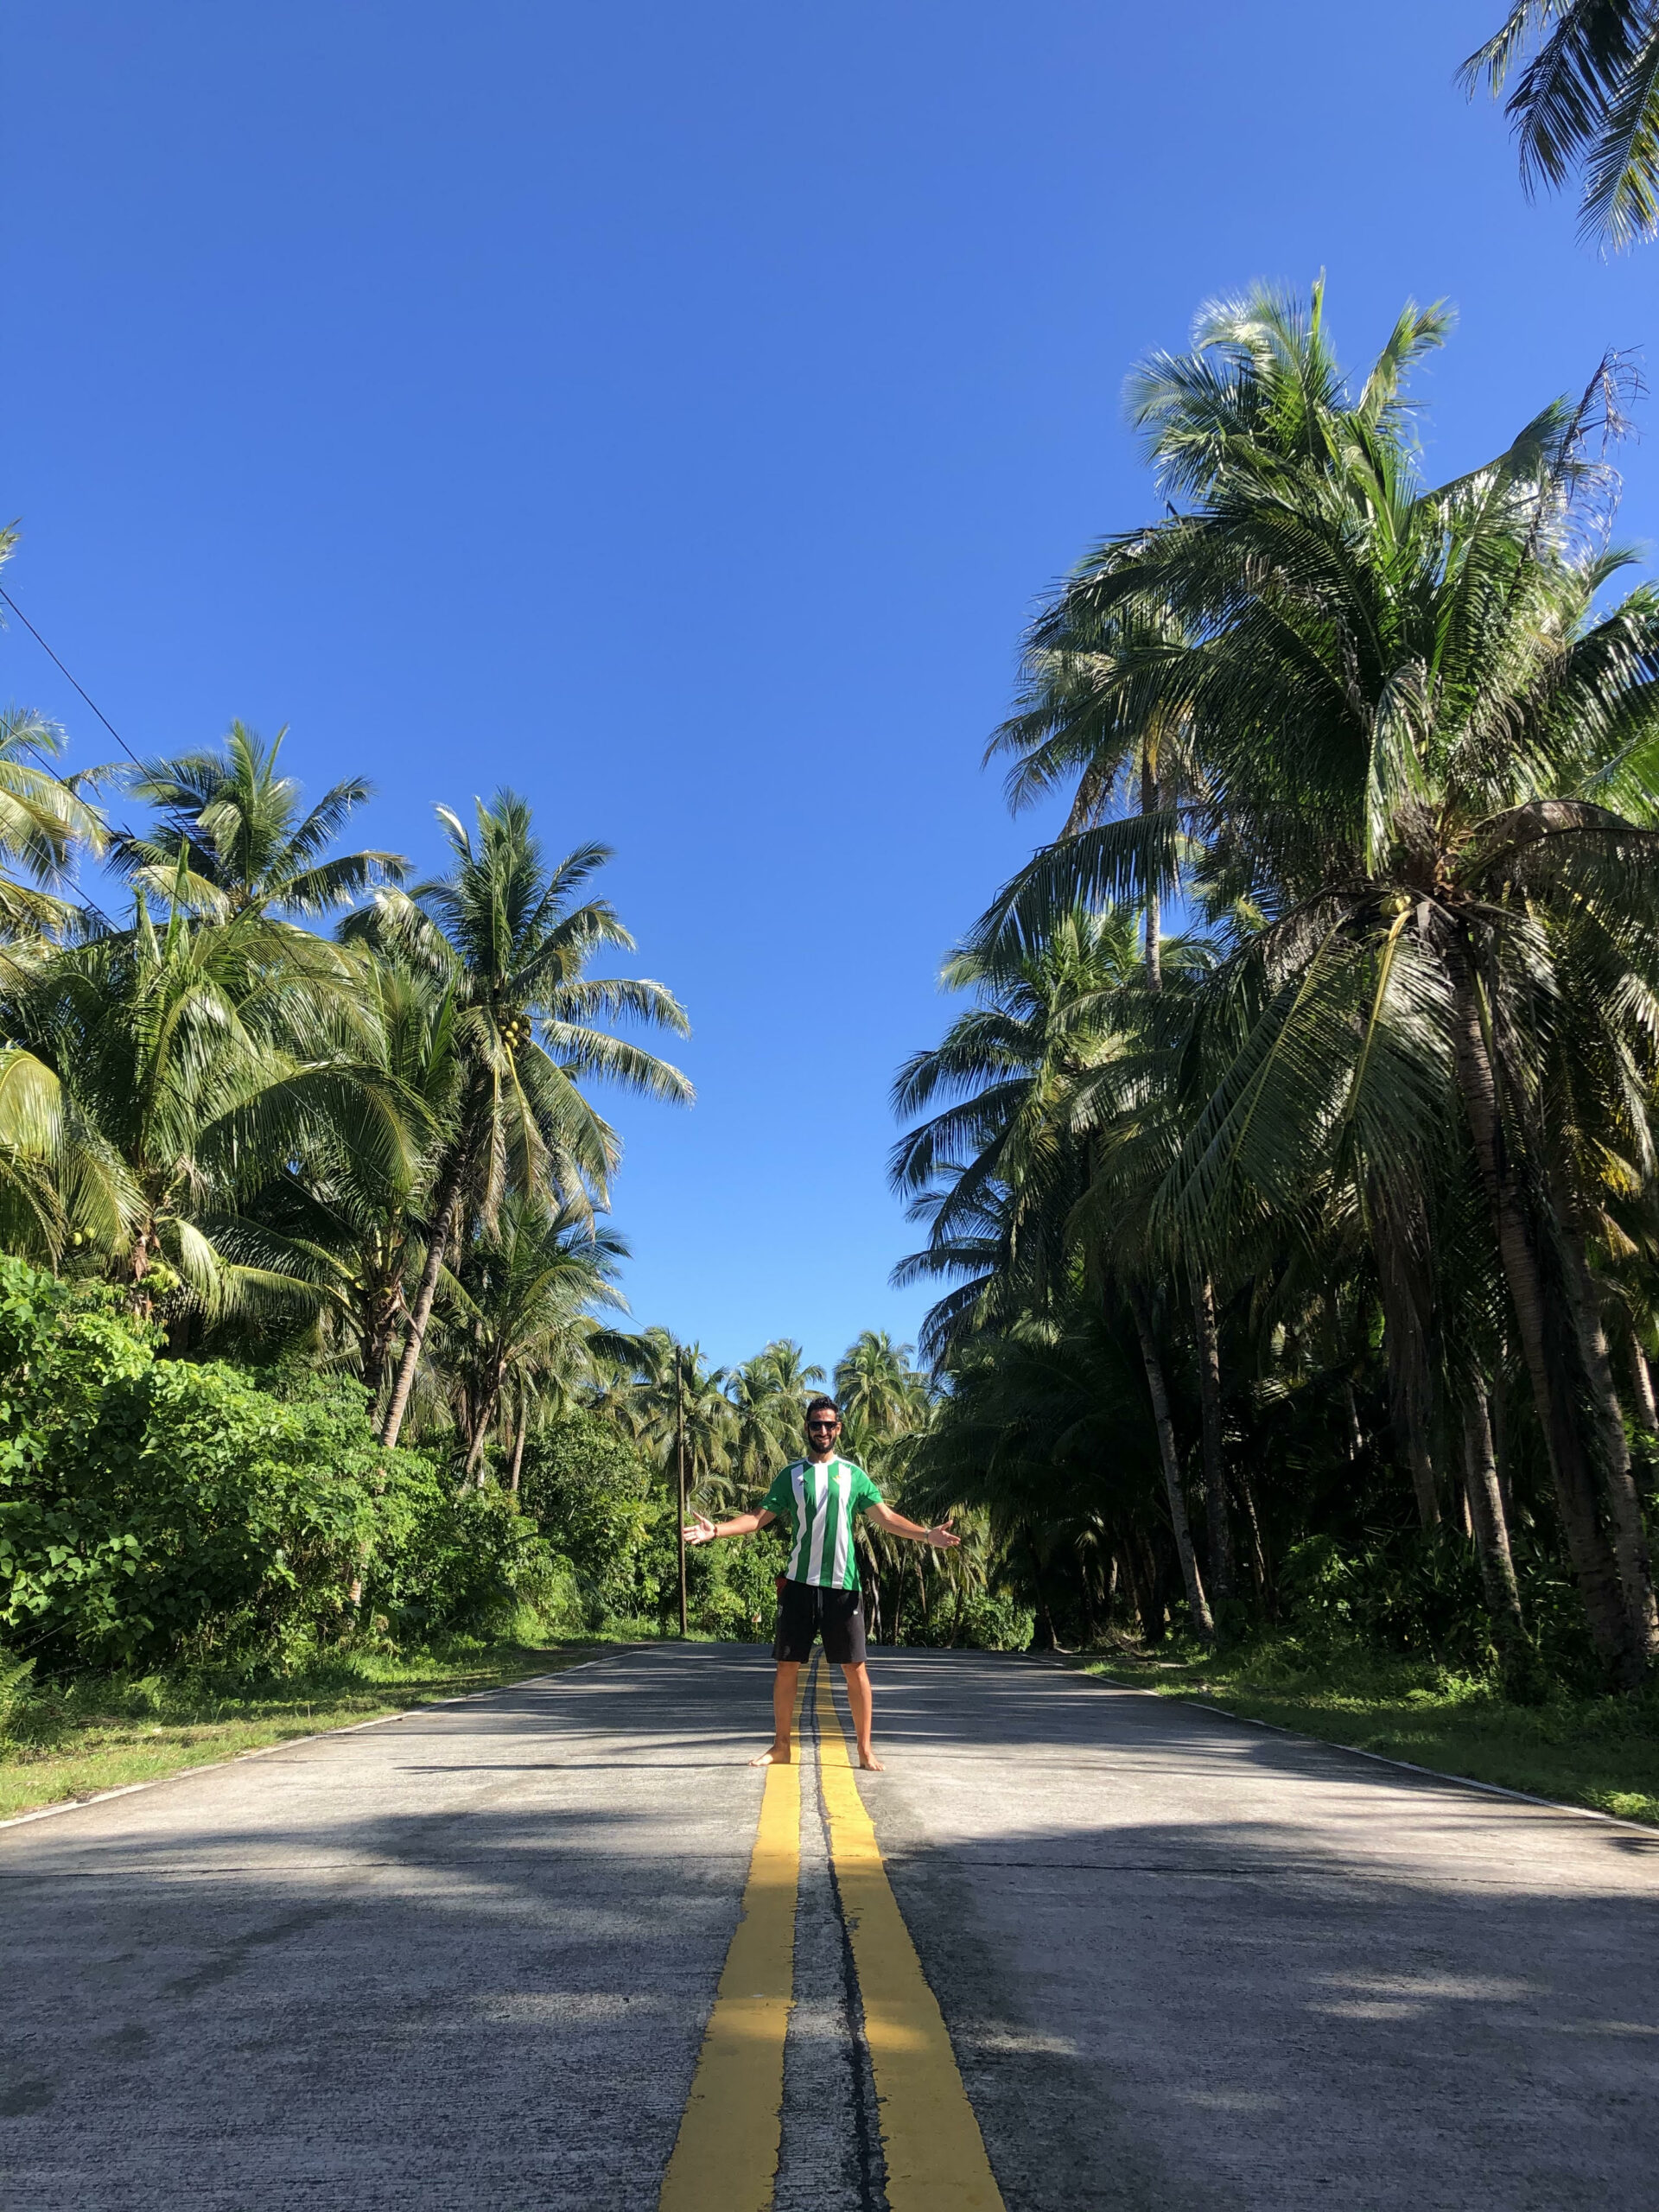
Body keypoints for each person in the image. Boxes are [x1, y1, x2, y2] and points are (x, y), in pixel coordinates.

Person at [682, 1393, 959, 1770]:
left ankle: (864, 1750)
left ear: (838, 1429)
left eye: (830, 1424)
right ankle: (781, 1746)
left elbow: (887, 1518)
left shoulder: (853, 1476)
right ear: (807, 1428)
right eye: (817, 1424)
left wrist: (927, 1535)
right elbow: (757, 1518)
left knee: (855, 1668)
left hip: (843, 1589)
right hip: (798, 1584)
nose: (823, 1430)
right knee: (787, 1666)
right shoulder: (792, 1475)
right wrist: (717, 1531)